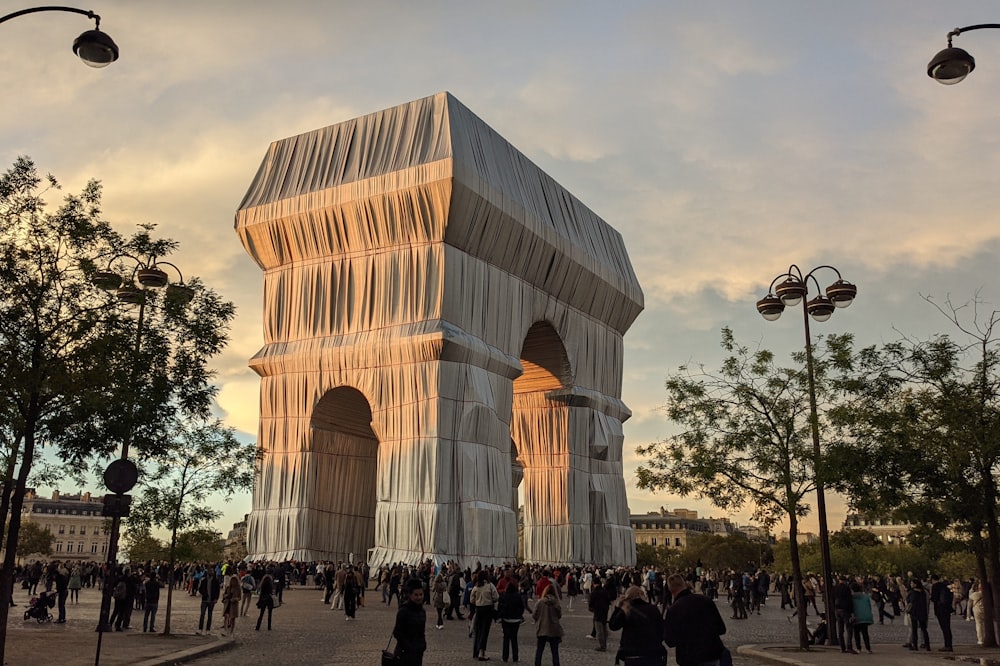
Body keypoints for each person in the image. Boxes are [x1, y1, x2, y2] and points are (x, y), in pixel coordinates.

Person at [663, 574, 727, 666]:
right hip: (711, 654)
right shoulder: (706, 601)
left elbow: (670, 641)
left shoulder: (673, 610)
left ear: (670, 589)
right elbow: (721, 629)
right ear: (684, 584)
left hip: (688, 658)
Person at [609, 584, 667, 666]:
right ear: (642, 595)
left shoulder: (626, 611)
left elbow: (613, 626)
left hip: (632, 653)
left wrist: (618, 608)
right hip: (653, 653)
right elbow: (661, 629)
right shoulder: (653, 609)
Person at [392, 579, 427, 666]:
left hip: (418, 653)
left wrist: (423, 644)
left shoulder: (422, 611)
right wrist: (409, 647)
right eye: (416, 595)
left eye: (421, 594)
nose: (419, 597)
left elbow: (421, 631)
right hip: (404, 654)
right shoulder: (403, 611)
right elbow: (397, 632)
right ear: (410, 595)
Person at [470, 570, 499, 661]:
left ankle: (476, 651)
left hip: (479, 609)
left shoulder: (476, 587)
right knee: (484, 632)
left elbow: (471, 600)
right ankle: (482, 652)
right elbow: (496, 597)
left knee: (478, 631)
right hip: (487, 609)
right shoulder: (490, 586)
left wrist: (477, 602)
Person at [532, 584, 563, 665]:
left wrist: (538, 620)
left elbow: (534, 615)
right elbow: (559, 615)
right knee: (555, 652)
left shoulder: (540, 602)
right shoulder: (556, 603)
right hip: (553, 628)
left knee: (539, 650)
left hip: (542, 627)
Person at [498, 575, 525, 663]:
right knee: (514, 639)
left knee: (506, 638)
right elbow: (522, 607)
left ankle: (505, 657)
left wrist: (501, 616)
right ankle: (515, 657)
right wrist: (519, 615)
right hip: (516, 620)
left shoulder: (503, 596)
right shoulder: (517, 596)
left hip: (506, 619)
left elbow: (500, 607)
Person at [832, 575, 856, 654]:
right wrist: (852, 612)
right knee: (849, 629)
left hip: (837, 610)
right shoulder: (846, 588)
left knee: (840, 629)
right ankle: (849, 646)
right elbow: (849, 600)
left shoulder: (835, 588)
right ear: (845, 581)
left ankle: (842, 647)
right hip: (845, 610)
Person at [930, 574, 954, 652]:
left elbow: (933, 598)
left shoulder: (935, 586)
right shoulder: (944, 586)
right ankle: (949, 644)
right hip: (947, 608)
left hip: (940, 609)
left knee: (944, 627)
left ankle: (947, 645)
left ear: (932, 580)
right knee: (947, 627)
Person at [588, 577, 613, 652]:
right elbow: (608, 600)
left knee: (599, 630)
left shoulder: (594, 592)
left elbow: (591, 603)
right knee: (604, 628)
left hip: (597, 612)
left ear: (593, 583)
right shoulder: (604, 591)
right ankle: (604, 644)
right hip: (604, 611)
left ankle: (602, 646)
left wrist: (592, 608)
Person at [906, 579, 930, 651]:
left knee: (914, 629)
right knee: (924, 630)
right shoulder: (923, 592)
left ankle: (915, 645)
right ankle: (927, 645)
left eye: (912, 583)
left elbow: (908, 601)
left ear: (915, 584)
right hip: (923, 612)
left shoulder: (912, 592)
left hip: (914, 612)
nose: (911, 584)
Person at [850, 582, 873, 654]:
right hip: (865, 617)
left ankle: (858, 648)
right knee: (865, 633)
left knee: (856, 633)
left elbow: (851, 608)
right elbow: (869, 606)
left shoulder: (852, 598)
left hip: (857, 617)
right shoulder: (866, 597)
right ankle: (868, 648)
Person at [197, 568, 220, 634]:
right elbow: (200, 589)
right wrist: (204, 594)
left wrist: (216, 598)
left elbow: (217, 590)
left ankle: (208, 629)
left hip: (211, 600)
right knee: (202, 614)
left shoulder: (215, 581)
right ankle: (200, 628)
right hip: (205, 599)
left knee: (209, 615)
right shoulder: (204, 581)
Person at [222, 571, 242, 636]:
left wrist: (235, 599)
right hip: (228, 603)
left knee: (232, 618)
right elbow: (224, 594)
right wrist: (225, 597)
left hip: (233, 604)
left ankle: (231, 631)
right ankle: (225, 629)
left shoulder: (238, 588)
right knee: (226, 616)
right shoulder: (228, 587)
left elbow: (239, 597)